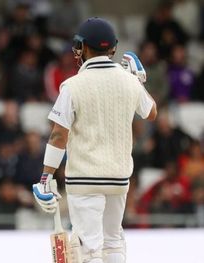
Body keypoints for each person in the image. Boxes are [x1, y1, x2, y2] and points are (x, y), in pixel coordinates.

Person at [32, 17, 158, 263]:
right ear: (112, 49)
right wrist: (139, 80)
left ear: (84, 47)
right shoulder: (129, 81)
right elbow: (151, 113)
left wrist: (46, 177)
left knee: (88, 249)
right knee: (113, 244)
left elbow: (59, 134)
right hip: (119, 178)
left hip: (84, 179)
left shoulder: (72, 85)